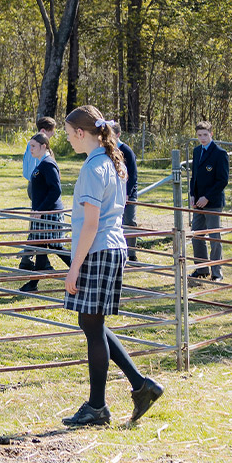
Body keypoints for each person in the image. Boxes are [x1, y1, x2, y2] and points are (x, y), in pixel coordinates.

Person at [59, 106, 160, 427]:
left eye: (67, 133)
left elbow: (90, 224)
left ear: (80, 133)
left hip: (97, 250)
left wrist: (74, 266)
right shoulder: (110, 162)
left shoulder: (93, 168)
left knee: (91, 326)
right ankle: (140, 385)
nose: (67, 139)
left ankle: (98, 406)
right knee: (93, 324)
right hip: (112, 248)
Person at [21, 133, 64, 293]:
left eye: (33, 146)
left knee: (55, 247)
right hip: (41, 213)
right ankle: (32, 285)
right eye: (30, 146)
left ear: (44, 146)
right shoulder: (42, 163)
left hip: (48, 213)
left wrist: (41, 210)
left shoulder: (48, 164)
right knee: (41, 248)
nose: (30, 149)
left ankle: (81, 272)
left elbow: (56, 190)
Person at [188, 121, 230, 281]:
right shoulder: (197, 151)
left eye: (205, 135)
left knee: (214, 238)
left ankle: (217, 272)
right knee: (197, 236)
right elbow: (195, 177)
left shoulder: (220, 153)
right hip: (198, 202)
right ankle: (201, 269)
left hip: (213, 202)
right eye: (199, 135)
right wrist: (193, 194)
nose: (202, 138)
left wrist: (207, 197)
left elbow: (222, 180)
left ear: (211, 134)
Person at [115, 126, 141, 261]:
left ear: (118, 134)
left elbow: (133, 175)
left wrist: (127, 193)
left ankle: (132, 253)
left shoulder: (126, 151)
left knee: (129, 220)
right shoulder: (107, 150)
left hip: (128, 193)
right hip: (114, 191)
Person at [21, 117, 59, 181]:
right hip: (36, 182)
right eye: (51, 130)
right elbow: (31, 167)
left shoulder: (43, 145)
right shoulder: (34, 145)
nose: (53, 133)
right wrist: (35, 182)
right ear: (43, 131)